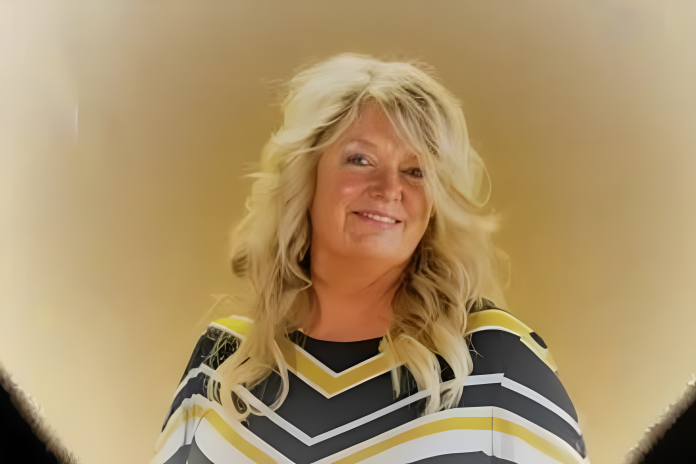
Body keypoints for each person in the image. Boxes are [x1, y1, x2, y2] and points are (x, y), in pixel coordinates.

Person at [149, 54, 588, 464]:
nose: (389, 187)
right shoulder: (223, 358)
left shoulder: (498, 359)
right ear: (306, 176)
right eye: (360, 159)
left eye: (416, 171)